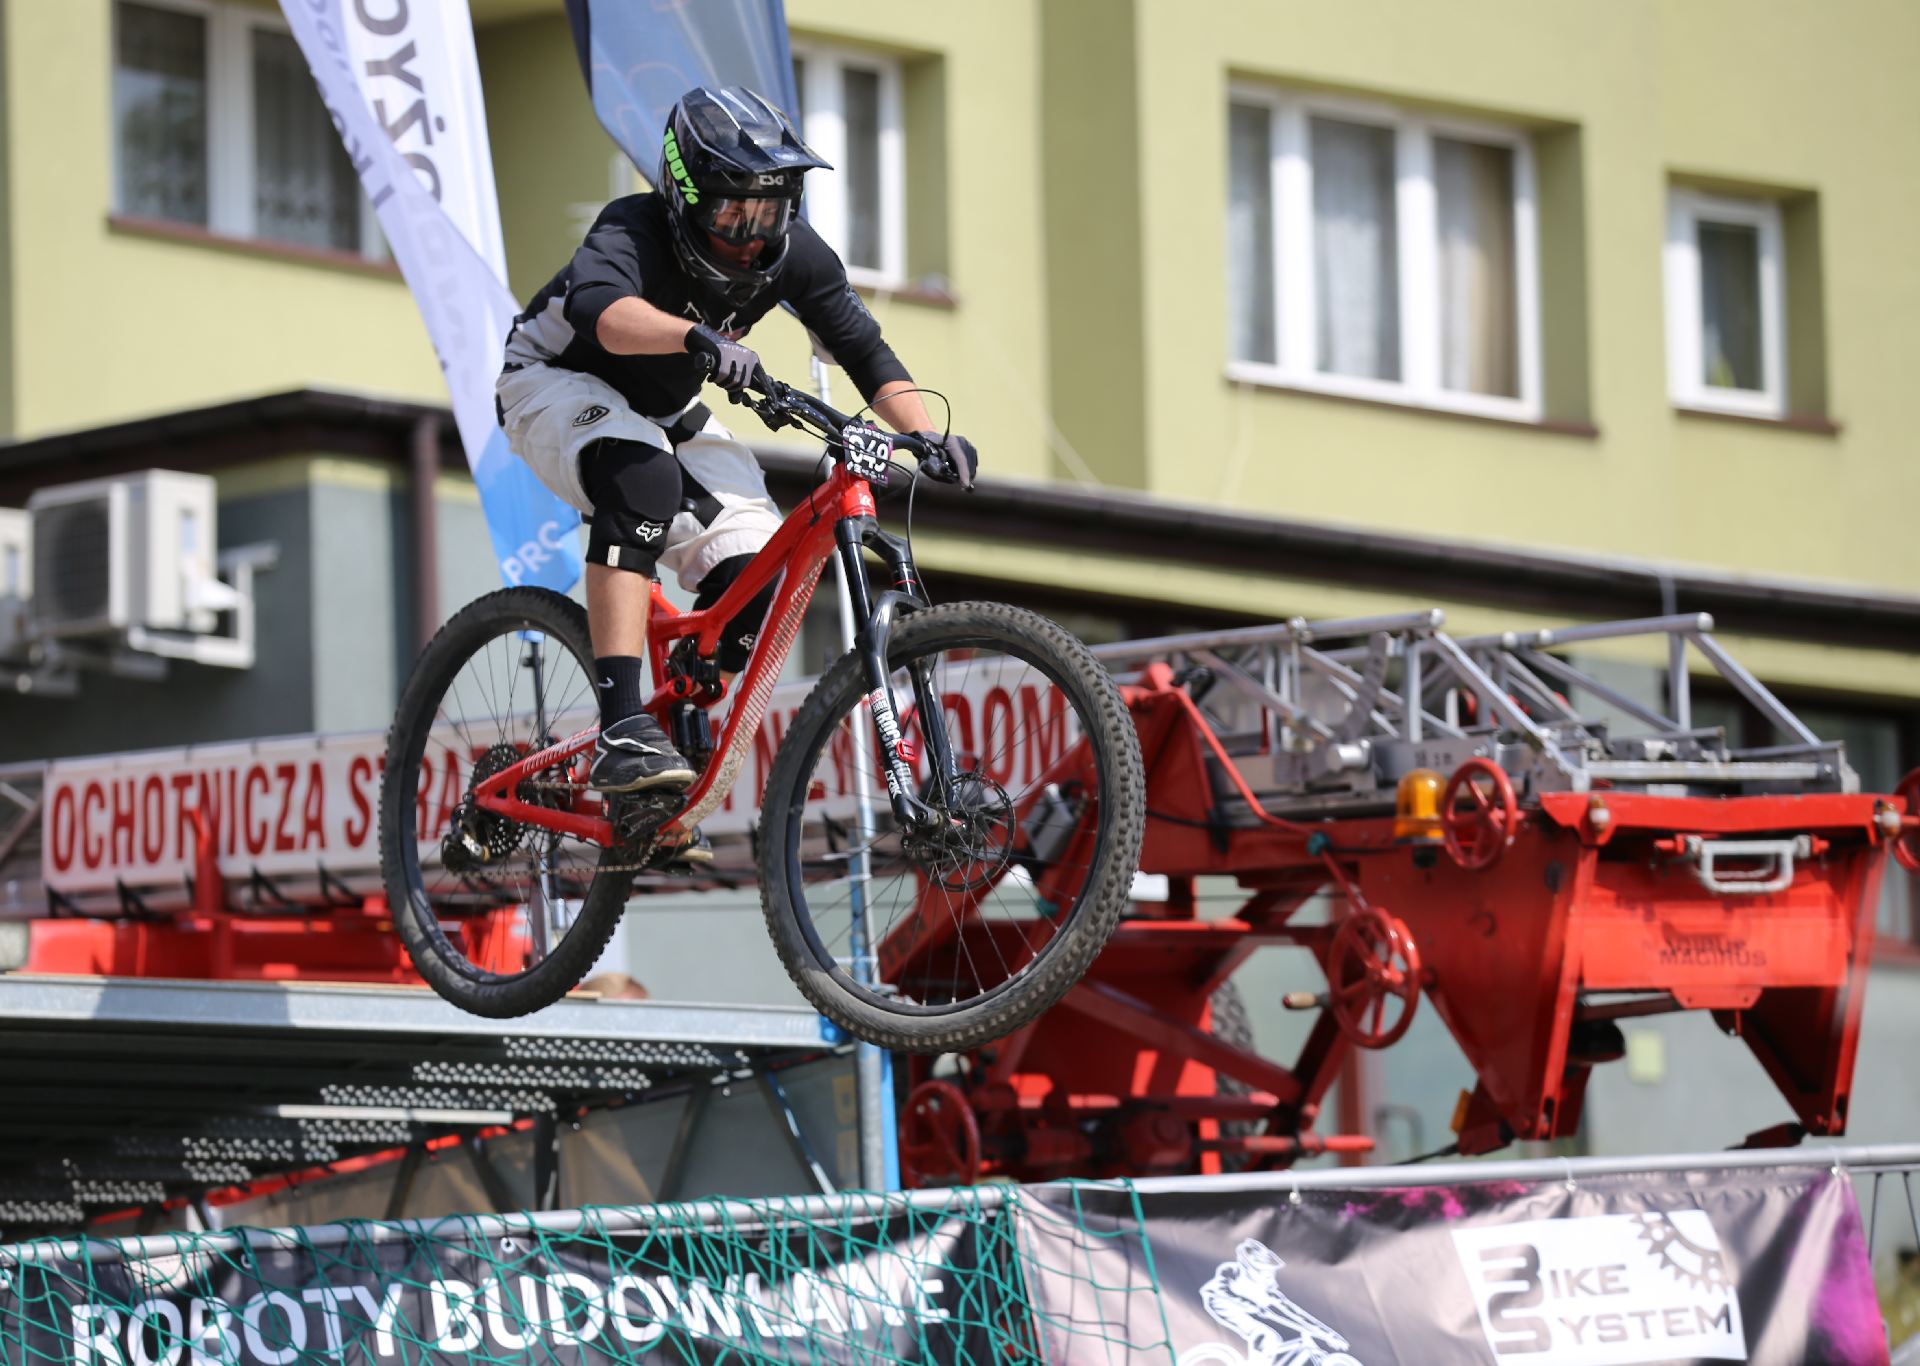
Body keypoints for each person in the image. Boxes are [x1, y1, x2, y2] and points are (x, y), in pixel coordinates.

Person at [495, 86, 977, 860]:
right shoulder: (634, 227)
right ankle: (623, 725)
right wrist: (695, 337)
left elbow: (866, 353)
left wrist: (928, 434)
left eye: (771, 211)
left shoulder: (798, 255)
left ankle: (674, 728)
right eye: (732, 214)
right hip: (553, 381)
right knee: (643, 481)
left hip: (663, 408)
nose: (754, 236)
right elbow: (602, 313)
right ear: (686, 201)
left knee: (759, 579)